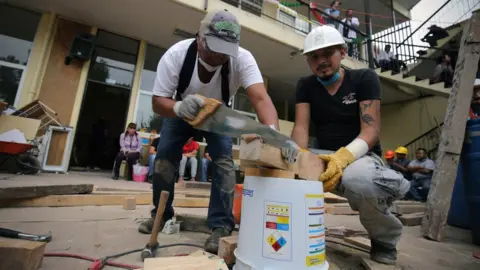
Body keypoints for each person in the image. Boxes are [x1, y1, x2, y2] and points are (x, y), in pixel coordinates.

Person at [140, 9, 284, 254]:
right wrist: (177, 106)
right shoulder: (176, 55)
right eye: (214, 47)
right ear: (200, 37)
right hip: (182, 109)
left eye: (225, 50)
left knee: (224, 165)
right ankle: (161, 214)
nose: (219, 54)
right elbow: (157, 102)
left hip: (218, 114)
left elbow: (261, 99)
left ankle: (220, 224)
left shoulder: (243, 59)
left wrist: (273, 136)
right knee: (164, 159)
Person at [282, 25, 410, 265]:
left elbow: (370, 130)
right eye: (314, 57)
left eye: (327, 53)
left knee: (359, 181)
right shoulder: (306, 85)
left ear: (342, 52)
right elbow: (301, 127)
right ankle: (289, 233)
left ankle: (384, 239)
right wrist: (299, 158)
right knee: (281, 165)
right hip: (323, 154)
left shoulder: (363, 78)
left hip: (361, 155)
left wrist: (342, 159)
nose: (321, 61)